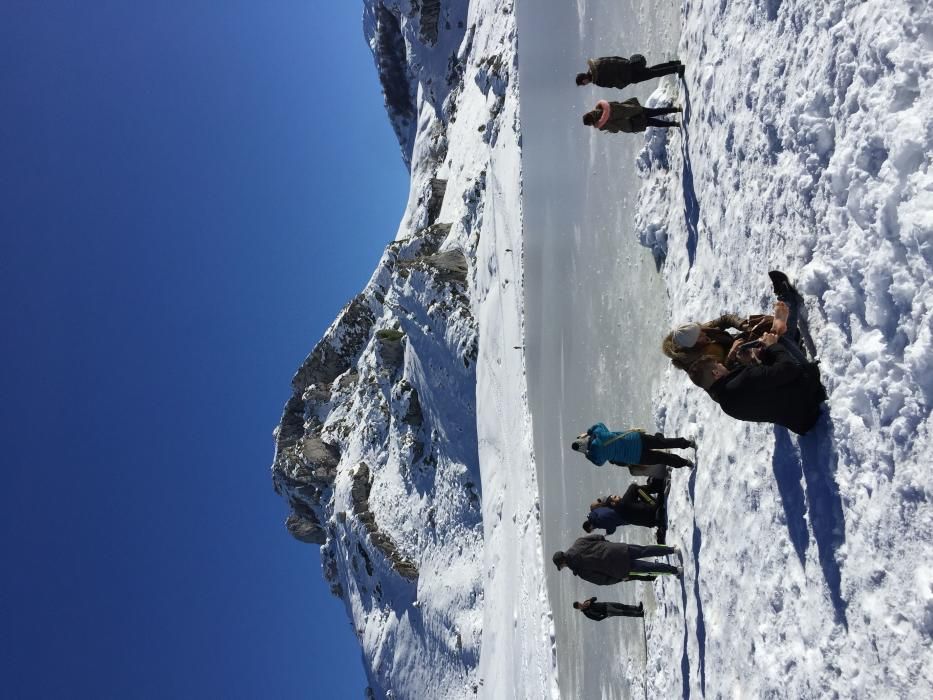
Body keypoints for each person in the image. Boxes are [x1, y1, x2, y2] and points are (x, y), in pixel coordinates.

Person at [553, 534, 682, 584]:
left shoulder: (580, 571)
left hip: (619, 569)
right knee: (645, 550)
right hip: (618, 550)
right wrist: (607, 546)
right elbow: (598, 537)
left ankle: (675, 570)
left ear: (563, 562)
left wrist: (619, 578)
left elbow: (601, 580)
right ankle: (672, 550)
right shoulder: (578, 542)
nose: (563, 567)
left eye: (561, 566)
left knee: (648, 568)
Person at [571, 423, 695, 470]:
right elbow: (599, 424)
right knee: (663, 443)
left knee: (663, 458)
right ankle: (687, 443)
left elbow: (599, 463)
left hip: (636, 457)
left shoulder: (595, 455)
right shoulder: (599, 434)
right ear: (583, 439)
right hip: (636, 440)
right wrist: (588, 432)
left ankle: (686, 463)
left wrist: (587, 454)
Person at [584, 482, 663, 533]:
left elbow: (611, 525)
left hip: (651, 522)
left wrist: (608, 532)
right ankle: (654, 496)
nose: (617, 496)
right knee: (635, 489)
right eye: (615, 497)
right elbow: (633, 487)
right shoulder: (598, 518)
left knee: (634, 510)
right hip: (654, 510)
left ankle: (654, 492)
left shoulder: (599, 521)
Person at [576, 55, 684, 89]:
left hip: (629, 77)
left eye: (583, 84)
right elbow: (614, 57)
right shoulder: (597, 62)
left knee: (653, 73)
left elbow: (612, 83)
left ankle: (676, 68)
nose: (584, 85)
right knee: (651, 70)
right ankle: (674, 64)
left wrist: (621, 85)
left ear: (584, 79)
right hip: (628, 66)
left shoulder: (598, 81)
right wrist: (627, 62)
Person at [582, 99, 680, 133]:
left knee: (653, 122)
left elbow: (615, 129)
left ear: (591, 122)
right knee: (654, 112)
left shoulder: (602, 124)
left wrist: (609, 128)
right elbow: (616, 103)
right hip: (632, 110)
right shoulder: (602, 107)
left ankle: (674, 124)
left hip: (630, 124)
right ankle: (676, 109)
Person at [573, 597, 644, 621]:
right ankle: (639, 614)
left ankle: (638, 608)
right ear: (578, 608)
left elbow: (595, 598)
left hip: (606, 604)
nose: (580, 605)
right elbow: (597, 619)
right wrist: (606, 615)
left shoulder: (586, 602)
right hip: (607, 611)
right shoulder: (586, 613)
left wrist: (590, 600)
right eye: (579, 606)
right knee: (623, 612)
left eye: (579, 603)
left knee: (622, 606)